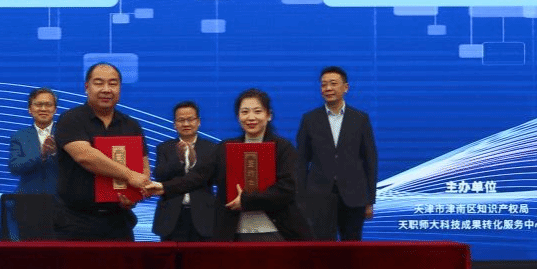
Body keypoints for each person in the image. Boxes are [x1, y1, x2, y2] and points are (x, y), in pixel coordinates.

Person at [147, 89, 311, 241]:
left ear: (269, 115)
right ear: (238, 116)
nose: (251, 117)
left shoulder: (283, 148)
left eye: (257, 111)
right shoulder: (225, 148)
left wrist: (246, 200)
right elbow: (198, 176)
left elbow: (286, 189)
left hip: (275, 231)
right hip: (233, 232)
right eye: (244, 112)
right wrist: (164, 187)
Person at [53, 62, 150, 240]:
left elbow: (143, 168)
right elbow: (85, 156)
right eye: (99, 83)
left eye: (113, 83)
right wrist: (129, 175)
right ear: (87, 87)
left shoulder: (131, 125)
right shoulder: (71, 119)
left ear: (120, 88)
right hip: (75, 222)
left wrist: (134, 197)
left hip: (119, 222)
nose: (106, 89)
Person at [296, 66, 378, 241]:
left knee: (352, 247)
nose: (328, 88)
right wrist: (301, 199)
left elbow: (370, 160)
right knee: (322, 248)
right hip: (319, 196)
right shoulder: (309, 119)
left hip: (354, 196)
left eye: (333, 83)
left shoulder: (360, 119)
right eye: (324, 84)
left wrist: (370, 200)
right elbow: (301, 162)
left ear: (345, 87)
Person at [151, 101, 217, 242]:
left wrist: (193, 162)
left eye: (190, 119)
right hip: (171, 216)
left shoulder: (211, 148)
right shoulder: (164, 148)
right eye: (181, 120)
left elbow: (210, 178)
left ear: (198, 122)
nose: (186, 124)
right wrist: (179, 160)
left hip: (203, 216)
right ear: (174, 124)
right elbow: (159, 175)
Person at [8, 88, 61, 195]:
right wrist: (41, 155)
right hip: (28, 198)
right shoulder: (20, 136)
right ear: (30, 109)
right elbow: (14, 167)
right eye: (38, 104)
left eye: (48, 105)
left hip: (60, 198)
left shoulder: (65, 133)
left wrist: (55, 153)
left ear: (55, 109)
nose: (43, 109)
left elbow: (73, 166)